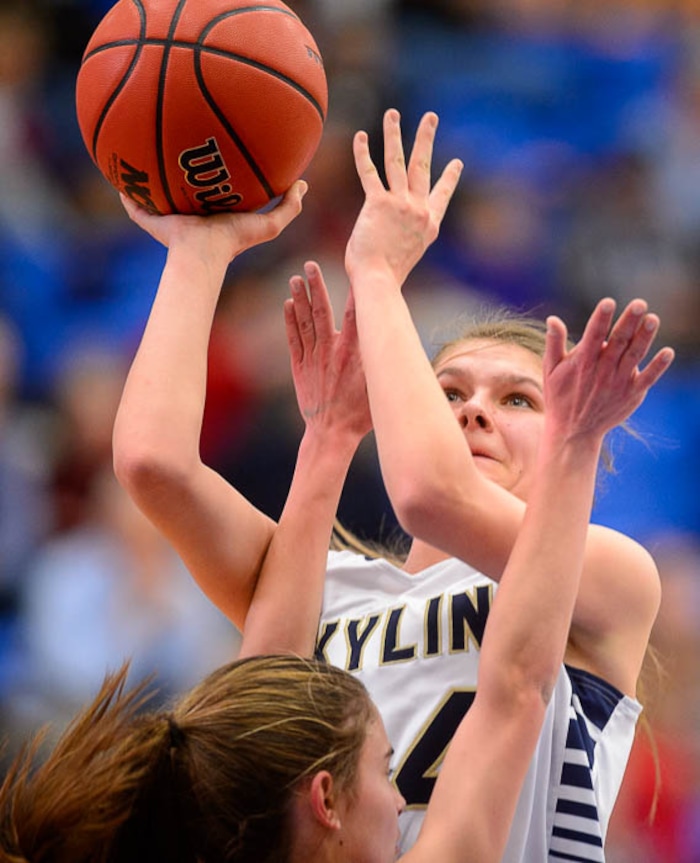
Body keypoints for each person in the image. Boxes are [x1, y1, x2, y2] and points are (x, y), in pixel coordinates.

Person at [0, 174, 673, 863]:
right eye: (447, 392)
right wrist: (197, 253)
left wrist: (377, 272)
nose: (473, 411)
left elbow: (428, 496)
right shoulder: (323, 582)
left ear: (582, 424)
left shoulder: (609, 572)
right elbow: (151, 463)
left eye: (519, 400)